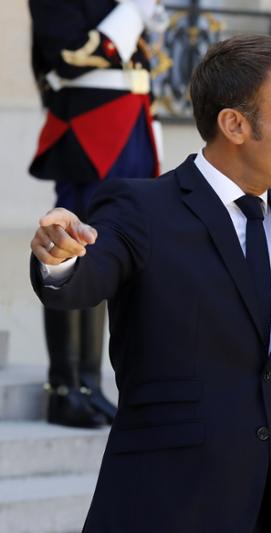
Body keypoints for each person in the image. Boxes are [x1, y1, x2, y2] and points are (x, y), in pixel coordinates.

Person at [29, 34, 271, 533]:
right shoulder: (140, 208)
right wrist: (60, 258)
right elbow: (86, 276)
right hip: (169, 508)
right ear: (234, 124)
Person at [28, 0, 163, 427]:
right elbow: (67, 54)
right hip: (89, 127)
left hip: (132, 122)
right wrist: (132, 14)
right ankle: (63, 387)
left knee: (105, 250)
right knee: (69, 248)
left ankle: (88, 383)